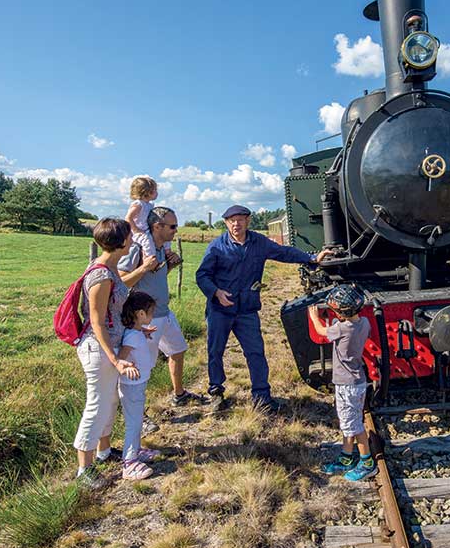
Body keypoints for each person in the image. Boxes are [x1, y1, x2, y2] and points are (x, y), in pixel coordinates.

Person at [196, 204, 333, 412]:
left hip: (247, 310)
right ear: (226, 223)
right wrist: (216, 292)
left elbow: (283, 252)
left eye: (240, 219)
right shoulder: (216, 247)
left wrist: (311, 259)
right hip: (220, 309)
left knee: (256, 353)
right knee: (215, 352)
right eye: (232, 220)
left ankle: (261, 397)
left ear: (248, 221)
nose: (236, 224)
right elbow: (202, 275)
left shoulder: (258, 242)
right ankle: (216, 393)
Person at [118, 206, 201, 428]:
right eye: (172, 226)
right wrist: (145, 267)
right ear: (157, 226)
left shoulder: (161, 249)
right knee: (142, 366)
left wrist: (170, 265)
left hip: (164, 312)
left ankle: (179, 394)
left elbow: (155, 276)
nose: (176, 230)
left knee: (178, 350)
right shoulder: (138, 249)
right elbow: (122, 280)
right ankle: (139, 416)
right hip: (145, 320)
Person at [74, 218, 138, 489]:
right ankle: (84, 469)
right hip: (99, 349)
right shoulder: (100, 275)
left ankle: (103, 452)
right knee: (97, 405)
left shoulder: (111, 269)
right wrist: (113, 357)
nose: (133, 239)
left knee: (110, 401)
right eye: (129, 236)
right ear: (121, 242)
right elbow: (97, 321)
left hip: (109, 347)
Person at [308, 285, 378, 482]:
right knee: (349, 422)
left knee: (354, 425)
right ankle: (347, 457)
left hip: (347, 385)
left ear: (341, 313)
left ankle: (367, 463)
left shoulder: (341, 328)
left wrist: (315, 317)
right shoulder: (363, 322)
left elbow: (322, 331)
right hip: (356, 381)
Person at [118, 291, 162, 480]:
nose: (152, 316)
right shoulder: (131, 337)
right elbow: (121, 357)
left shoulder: (135, 332)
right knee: (134, 423)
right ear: (141, 314)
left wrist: (143, 332)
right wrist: (124, 368)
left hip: (137, 384)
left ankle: (136, 451)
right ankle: (129, 462)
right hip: (131, 386)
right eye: (150, 312)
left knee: (136, 420)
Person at [125, 176, 171, 259]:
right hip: (141, 232)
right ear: (147, 192)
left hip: (148, 230)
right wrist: (136, 230)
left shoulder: (149, 205)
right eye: (155, 190)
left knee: (164, 235)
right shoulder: (139, 204)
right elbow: (128, 218)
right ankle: (149, 258)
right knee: (147, 242)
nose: (157, 193)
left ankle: (167, 253)